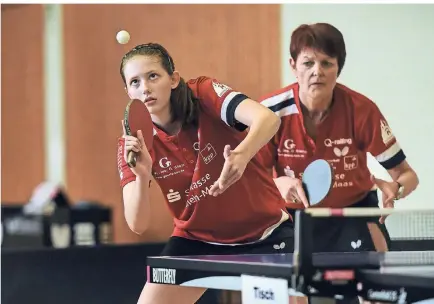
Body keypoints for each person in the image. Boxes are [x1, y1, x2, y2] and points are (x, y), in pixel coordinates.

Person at [116, 43, 305, 304]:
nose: (145, 88)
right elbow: (137, 225)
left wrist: (241, 155)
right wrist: (142, 174)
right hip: (196, 241)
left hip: (264, 233)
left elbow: (268, 120)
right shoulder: (133, 143)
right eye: (135, 82)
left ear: (173, 79)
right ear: (127, 91)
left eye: (153, 76)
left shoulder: (203, 94)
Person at [258, 22, 420, 255]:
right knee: (294, 285)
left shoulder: (361, 110)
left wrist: (397, 189)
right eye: (308, 63)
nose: (317, 71)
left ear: (338, 68)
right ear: (293, 66)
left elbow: (408, 176)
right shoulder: (270, 112)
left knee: (378, 266)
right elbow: (249, 179)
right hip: (292, 216)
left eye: (327, 63)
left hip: (353, 210)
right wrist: (277, 183)